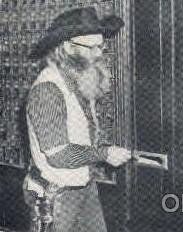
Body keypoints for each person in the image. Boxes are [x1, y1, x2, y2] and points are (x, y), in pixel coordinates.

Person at [23, 7, 132, 232]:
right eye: (91, 47)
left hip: (83, 187)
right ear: (67, 47)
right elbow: (59, 155)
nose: (98, 54)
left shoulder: (76, 82)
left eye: (100, 46)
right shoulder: (47, 91)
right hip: (57, 196)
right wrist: (104, 154)